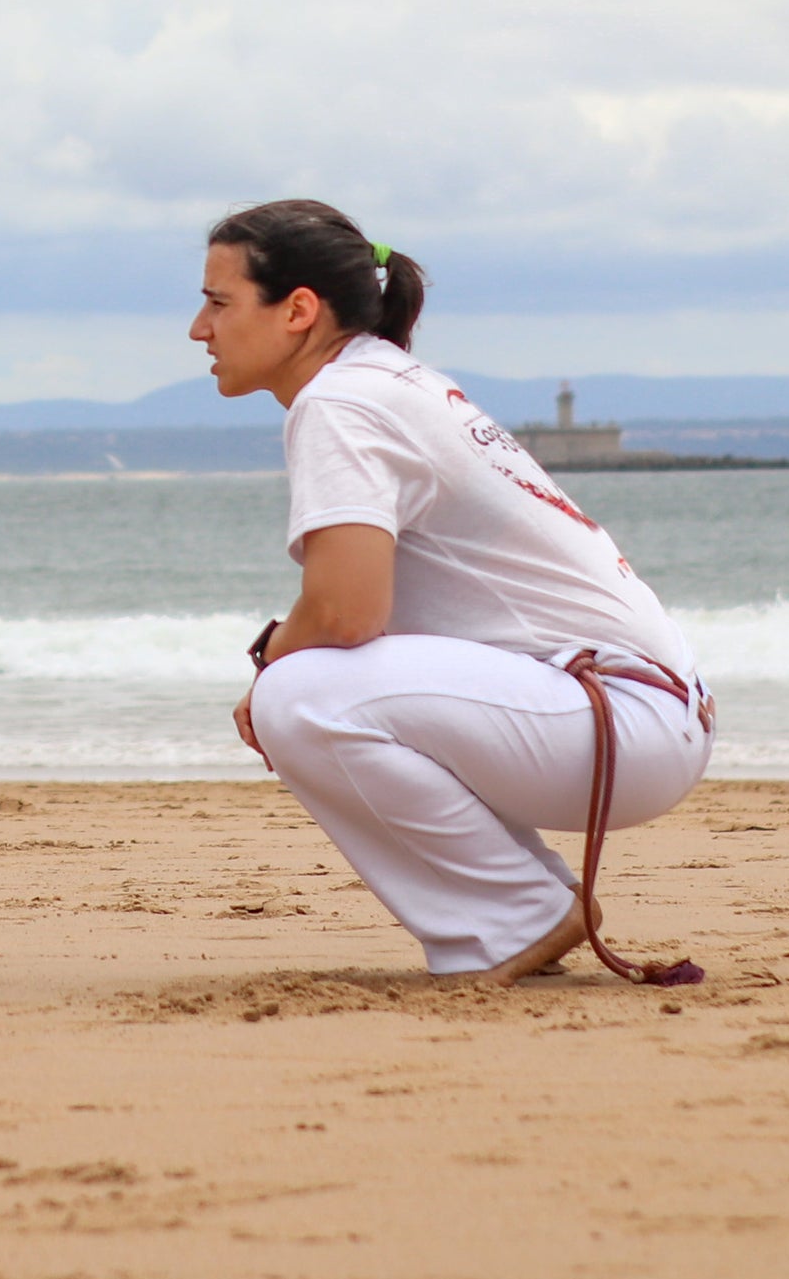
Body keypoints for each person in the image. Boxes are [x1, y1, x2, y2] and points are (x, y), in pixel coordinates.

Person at [200, 199, 711, 983]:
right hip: (639, 714)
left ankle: (514, 920)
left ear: (298, 310)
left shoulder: (341, 401)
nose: (200, 330)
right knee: (302, 685)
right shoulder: (384, 381)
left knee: (299, 694)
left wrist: (273, 663)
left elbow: (345, 612)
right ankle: (528, 903)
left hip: (617, 721)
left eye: (218, 302)